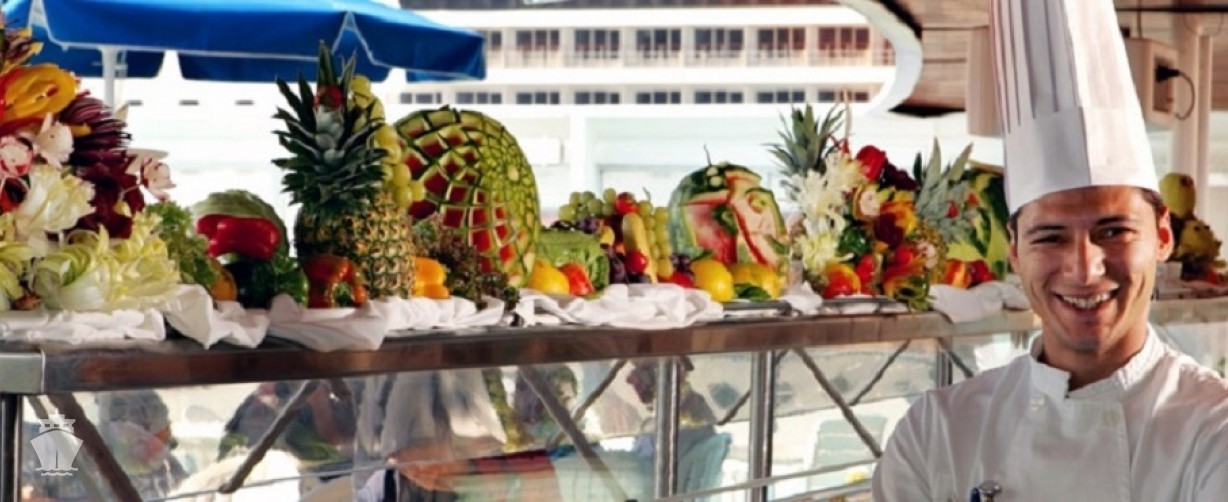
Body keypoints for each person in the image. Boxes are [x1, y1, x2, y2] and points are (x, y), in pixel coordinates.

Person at [871, 0, 1228, 500]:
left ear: (1162, 236)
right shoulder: (936, 434)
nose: (1083, 268)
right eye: (1050, 237)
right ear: (1015, 252)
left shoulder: (1212, 432)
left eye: (1113, 231)